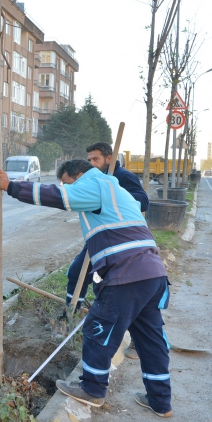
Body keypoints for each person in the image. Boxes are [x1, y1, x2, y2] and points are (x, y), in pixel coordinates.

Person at [0, 160, 172, 418]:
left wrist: (12, 187)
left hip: (126, 274)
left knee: (98, 327)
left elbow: (59, 197)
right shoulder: (115, 189)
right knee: (150, 337)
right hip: (152, 273)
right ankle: (161, 401)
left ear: (78, 175)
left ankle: (92, 388)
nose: (66, 187)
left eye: (67, 182)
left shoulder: (94, 185)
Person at [68, 142, 150, 360]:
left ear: (109, 158)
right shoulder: (95, 179)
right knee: (77, 272)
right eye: (90, 160)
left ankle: (135, 341)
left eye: (96, 159)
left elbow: (144, 201)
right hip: (99, 237)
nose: (92, 163)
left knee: (126, 295)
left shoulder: (122, 177)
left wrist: (117, 195)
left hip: (122, 240)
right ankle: (70, 313)